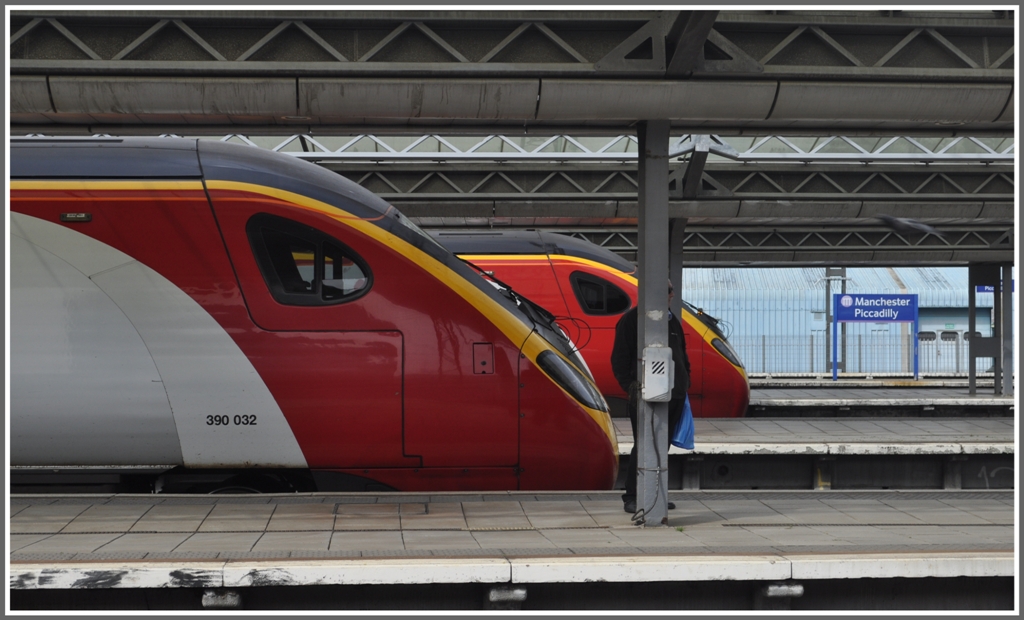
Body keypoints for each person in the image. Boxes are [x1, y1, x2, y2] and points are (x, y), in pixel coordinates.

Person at [610, 279, 691, 514]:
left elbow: (681, 353)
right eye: (668, 291)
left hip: (674, 393)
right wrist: (632, 386)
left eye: (671, 290)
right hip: (646, 394)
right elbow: (620, 359)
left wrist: (686, 381)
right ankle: (633, 496)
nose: (672, 295)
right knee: (645, 445)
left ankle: (655, 494)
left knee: (661, 445)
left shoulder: (671, 319)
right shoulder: (631, 320)